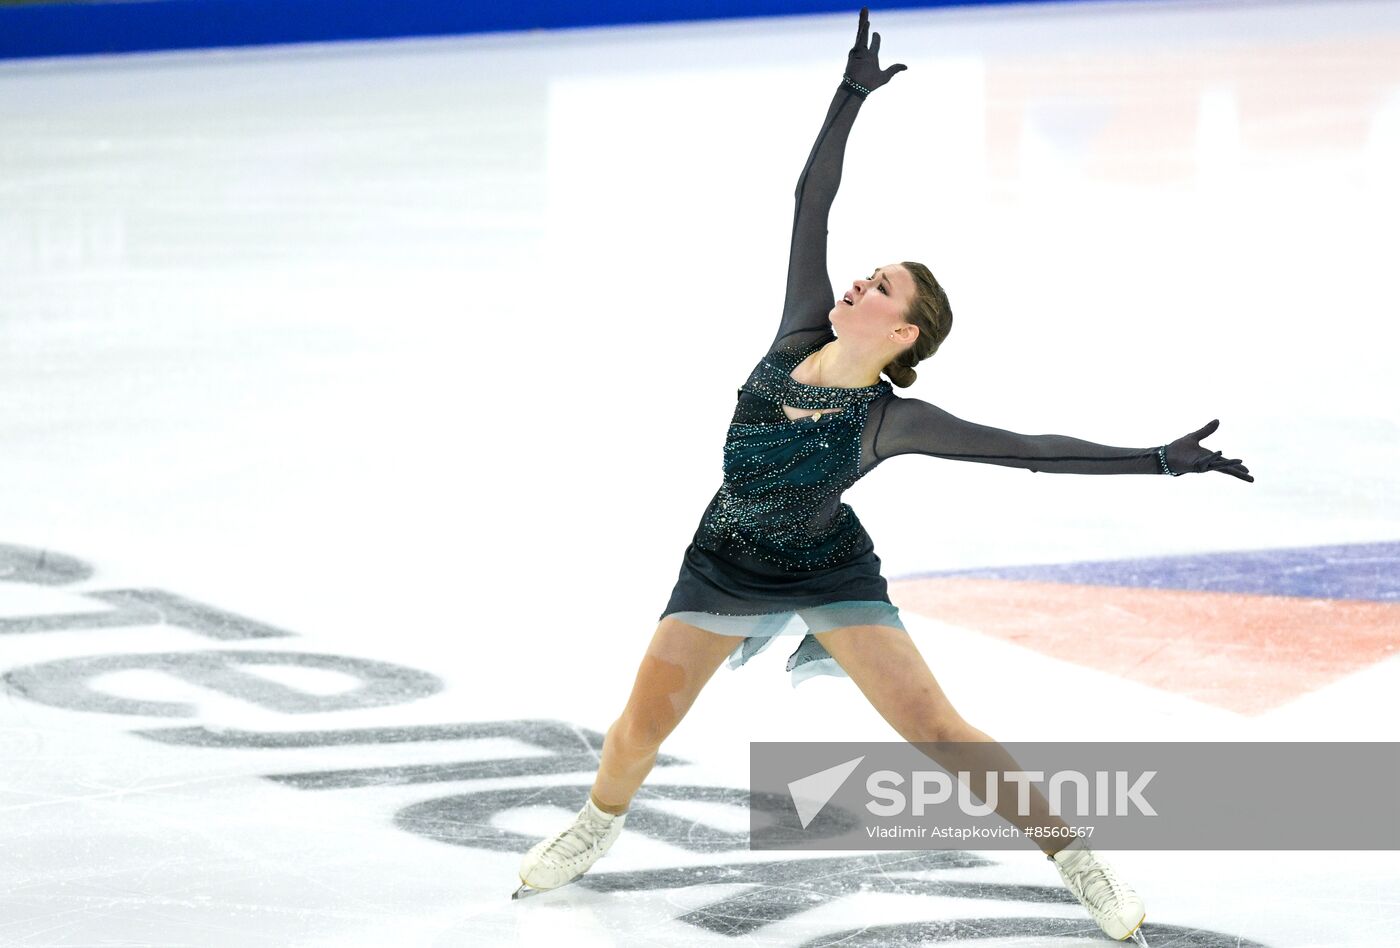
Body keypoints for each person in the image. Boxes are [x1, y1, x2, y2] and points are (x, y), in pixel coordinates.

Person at [513, 8, 1251, 942]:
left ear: (902, 334)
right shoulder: (795, 334)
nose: (858, 282)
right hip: (722, 560)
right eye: (867, 274)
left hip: (829, 573)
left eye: (881, 287)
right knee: (635, 733)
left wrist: (1156, 460)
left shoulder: (893, 420)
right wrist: (850, 96)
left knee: (940, 733)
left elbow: (1027, 448)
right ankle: (593, 828)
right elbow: (807, 204)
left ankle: (1083, 864)